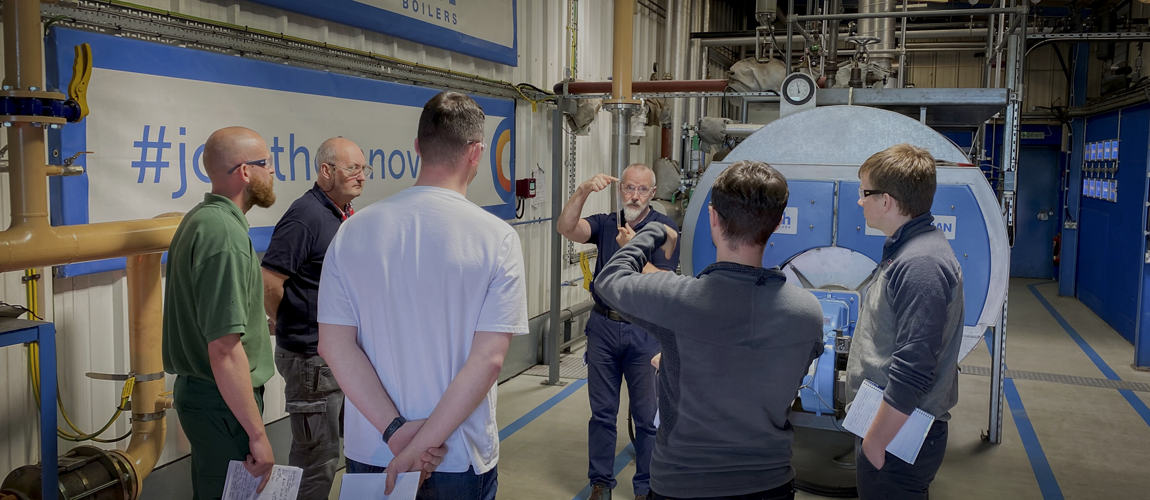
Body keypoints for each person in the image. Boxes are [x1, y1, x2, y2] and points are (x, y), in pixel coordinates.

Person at [317, 91, 527, 499]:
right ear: (476, 153)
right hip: (455, 456)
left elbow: (334, 345)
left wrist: (398, 436)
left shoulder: (354, 232)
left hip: (374, 450)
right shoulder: (496, 238)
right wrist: (423, 444)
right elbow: (488, 360)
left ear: (417, 148)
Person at [594, 160, 824, 500]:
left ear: (713, 218)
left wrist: (653, 232)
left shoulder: (679, 300)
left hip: (682, 484)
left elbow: (610, 280)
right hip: (769, 483)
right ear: (777, 223)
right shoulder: (808, 313)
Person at [162, 126, 278, 499]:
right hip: (222, 406)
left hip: (213, 401)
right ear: (245, 172)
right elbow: (224, 349)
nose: (272, 172)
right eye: (267, 164)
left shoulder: (202, 220)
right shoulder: (224, 234)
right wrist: (258, 435)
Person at [847, 143, 964, 500]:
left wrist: (876, 443)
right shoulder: (910, 249)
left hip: (897, 436)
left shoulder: (920, 265)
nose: (859, 201)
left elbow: (914, 366)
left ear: (887, 201)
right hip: (892, 428)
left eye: (864, 192)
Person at [556, 163, 680, 500]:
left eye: (642, 189)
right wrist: (582, 191)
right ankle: (600, 483)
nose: (635, 196)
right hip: (603, 327)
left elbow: (664, 280)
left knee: (647, 417)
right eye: (629, 188)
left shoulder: (665, 228)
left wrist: (633, 250)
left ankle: (645, 488)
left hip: (644, 332)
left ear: (653, 193)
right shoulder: (607, 222)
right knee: (602, 413)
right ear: (619, 189)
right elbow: (566, 228)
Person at [261, 137, 369, 500]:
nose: (361, 176)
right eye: (353, 168)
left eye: (364, 169)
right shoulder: (305, 216)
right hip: (310, 358)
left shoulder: (340, 213)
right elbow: (270, 281)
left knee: (344, 448)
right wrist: (286, 323)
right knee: (316, 458)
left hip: (334, 356)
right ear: (326, 171)